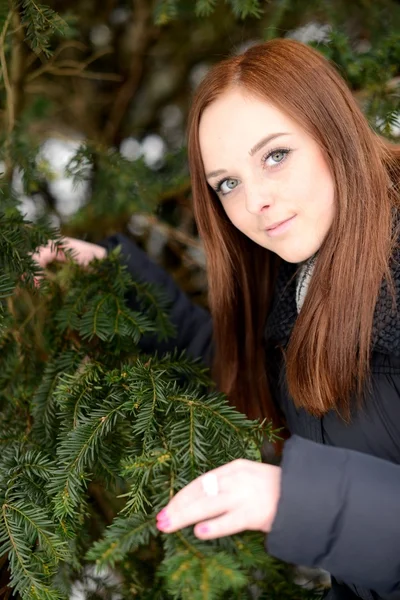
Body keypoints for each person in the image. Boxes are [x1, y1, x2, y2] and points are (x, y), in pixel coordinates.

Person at [33, 39, 400, 600]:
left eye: (275, 155)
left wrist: (297, 500)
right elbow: (246, 377)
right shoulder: (304, 277)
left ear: (334, 132)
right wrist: (115, 285)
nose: (254, 201)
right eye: (227, 183)